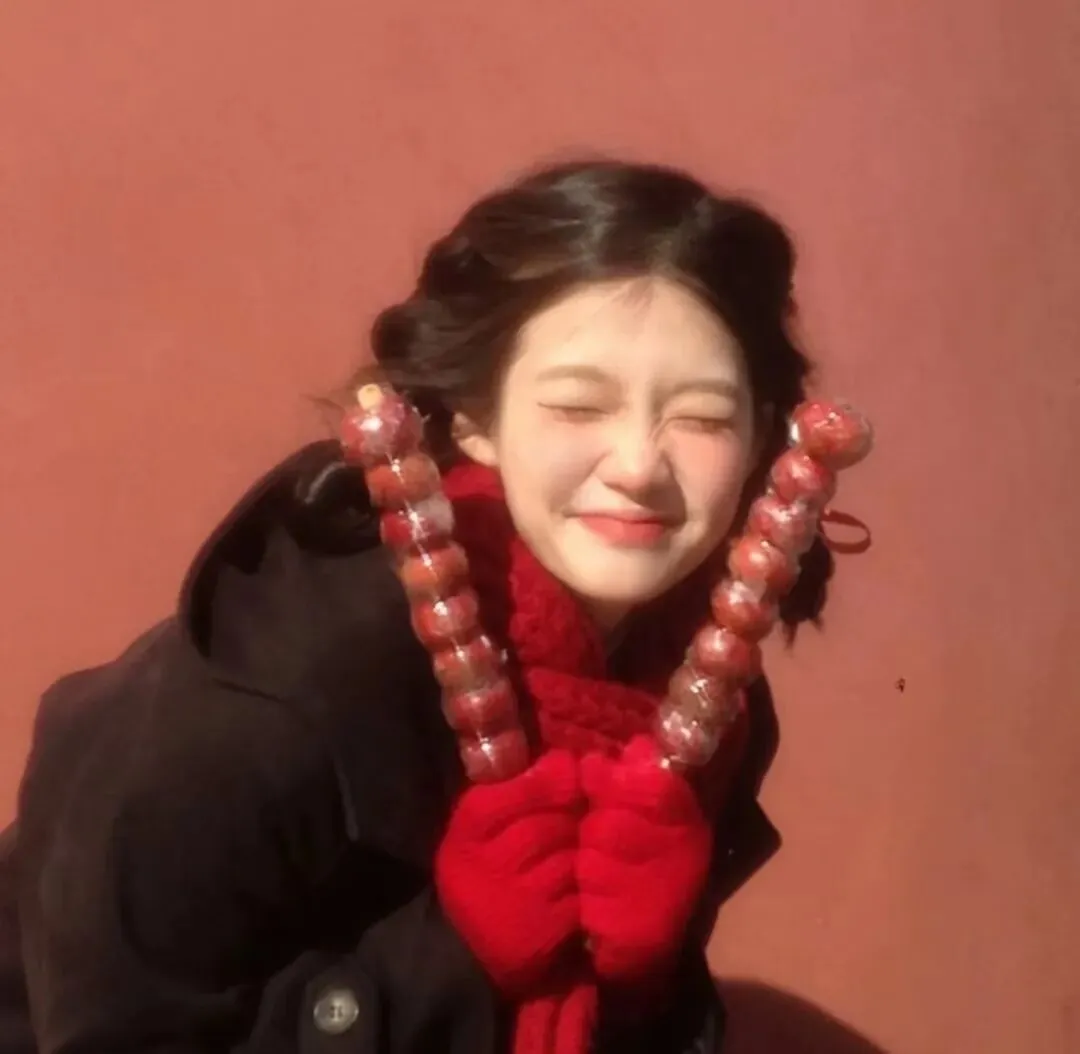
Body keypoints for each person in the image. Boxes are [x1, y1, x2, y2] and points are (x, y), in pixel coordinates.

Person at [0, 158, 811, 1054]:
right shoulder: (289, 680)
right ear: (474, 419)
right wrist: (455, 958)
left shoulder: (704, 707)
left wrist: (648, 985)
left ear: (761, 441)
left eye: (701, 418)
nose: (638, 466)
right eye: (579, 405)